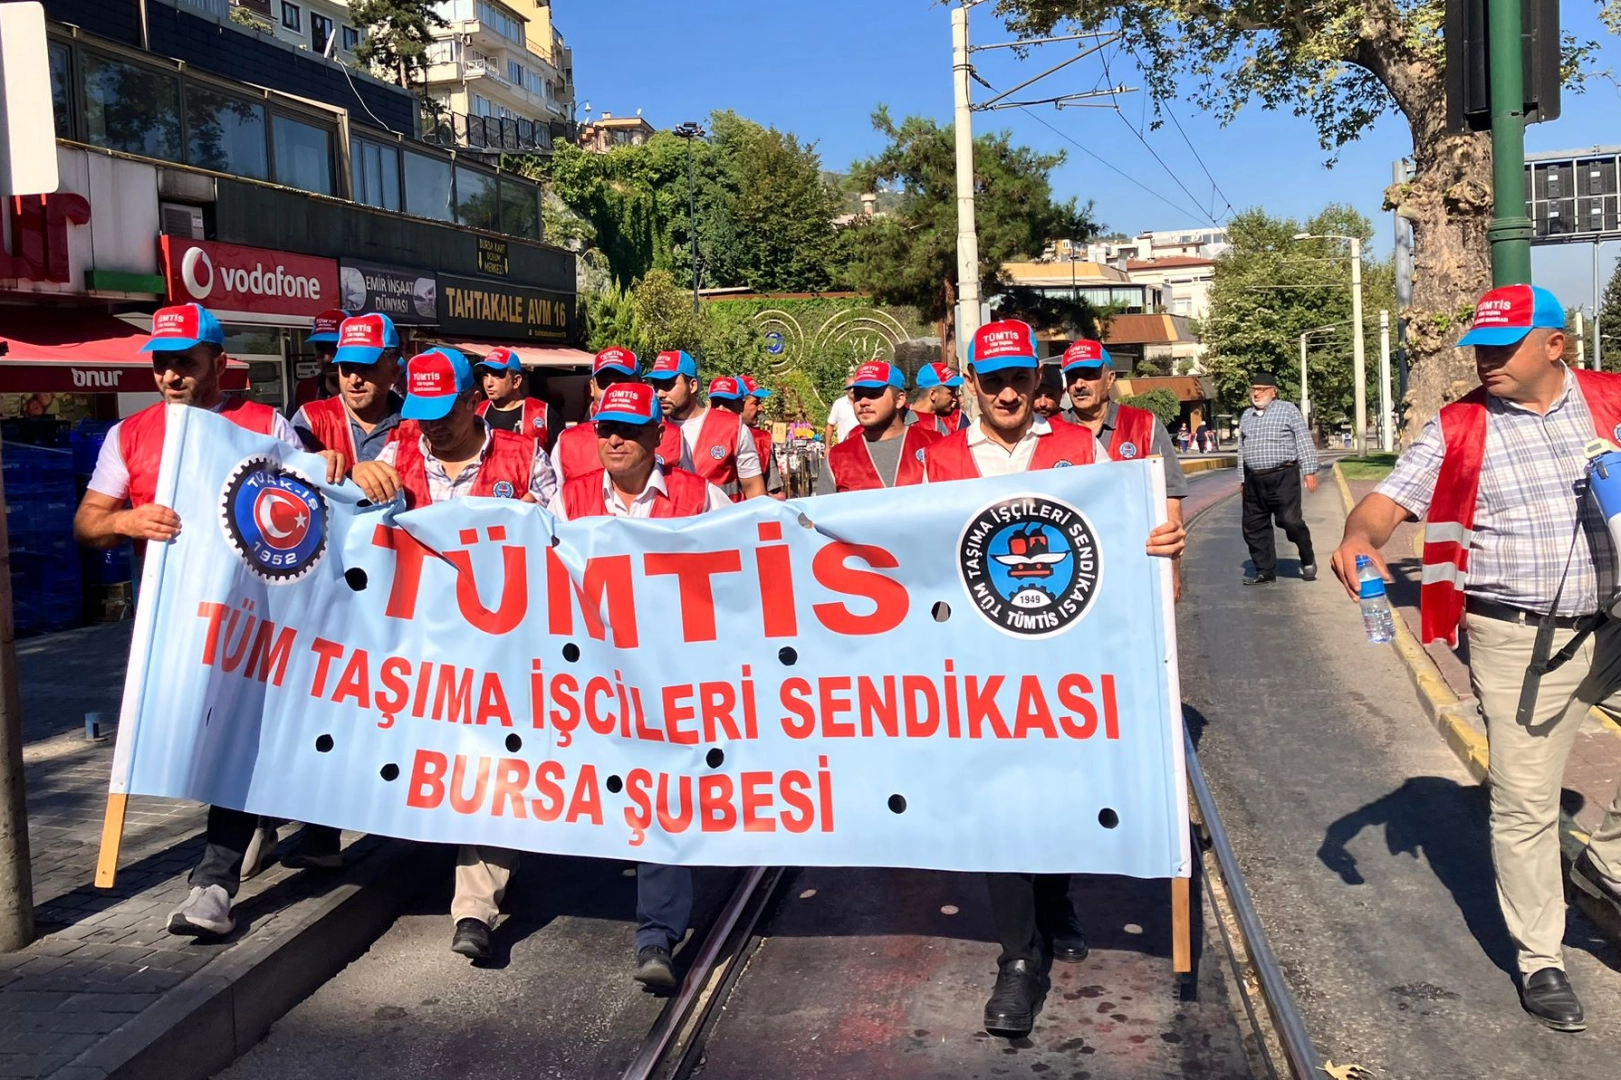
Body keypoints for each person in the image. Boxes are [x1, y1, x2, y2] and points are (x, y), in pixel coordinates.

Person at [1331, 284, 1621, 1034]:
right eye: (1480, 348)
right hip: (1518, 639)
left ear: (1554, 346)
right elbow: (1385, 504)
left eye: (1503, 346)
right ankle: (1540, 957)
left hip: (1617, 623)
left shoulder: (1612, 400)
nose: (1486, 360)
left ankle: (1605, 868)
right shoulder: (1459, 427)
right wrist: (1359, 538)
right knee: (1525, 802)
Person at [923, 319, 1186, 1037]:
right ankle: (1018, 957)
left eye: (1018, 379)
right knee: (1001, 803)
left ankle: (1056, 900)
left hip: (1064, 660)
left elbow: (1110, 539)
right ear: (970, 384)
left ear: (1038, 381)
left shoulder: (1077, 447)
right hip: (979, 668)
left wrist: (1156, 542)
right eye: (993, 381)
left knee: (1060, 793)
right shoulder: (938, 460)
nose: (1007, 393)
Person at [73, 303, 345, 938]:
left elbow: (314, 502)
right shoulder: (129, 434)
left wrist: (331, 465)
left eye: (185, 363)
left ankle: (213, 883)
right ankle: (263, 821)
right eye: (161, 364)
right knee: (197, 736)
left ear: (219, 363)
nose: (171, 376)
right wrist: (126, 520)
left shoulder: (265, 424)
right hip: (174, 623)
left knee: (237, 734)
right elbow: (88, 523)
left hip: (258, 621)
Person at [350, 348, 557, 961]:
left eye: (445, 411)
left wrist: (535, 531)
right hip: (420, 647)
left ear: (474, 402)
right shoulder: (397, 456)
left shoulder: (524, 458)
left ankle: (475, 907)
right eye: (422, 412)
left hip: (502, 648)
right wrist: (355, 476)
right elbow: (355, 527)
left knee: (492, 762)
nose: (432, 425)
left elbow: (564, 545)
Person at [544, 382, 730, 988]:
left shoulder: (700, 495)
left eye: (629, 429)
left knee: (659, 793)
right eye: (605, 429)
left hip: (671, 675)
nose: (615, 440)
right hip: (592, 673)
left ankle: (657, 934)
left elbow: (741, 569)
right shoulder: (566, 500)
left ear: (658, 434)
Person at [285, 312, 407, 870]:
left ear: (393, 367)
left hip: (395, 591)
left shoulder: (416, 419)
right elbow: (283, 481)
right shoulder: (309, 419)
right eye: (344, 367)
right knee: (325, 707)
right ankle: (318, 832)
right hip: (325, 589)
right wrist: (318, 465)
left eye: (367, 367)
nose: (354, 378)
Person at [1062, 339, 1188, 598]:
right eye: (1073, 376)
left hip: (1135, 563)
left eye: (1089, 374)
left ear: (1110, 379)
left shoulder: (1145, 425)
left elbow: (1170, 498)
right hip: (1070, 570)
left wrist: (1173, 569)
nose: (1079, 384)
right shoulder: (1049, 430)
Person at [645, 350, 766, 501]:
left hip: (724, 516)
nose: (660, 393)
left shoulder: (733, 428)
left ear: (692, 386)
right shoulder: (648, 429)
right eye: (656, 386)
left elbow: (754, 490)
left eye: (668, 385)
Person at [1237, 370, 1319, 585]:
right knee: (1253, 525)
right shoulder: (1247, 415)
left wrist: (1309, 470)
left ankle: (1307, 557)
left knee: (1289, 521)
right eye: (1254, 390)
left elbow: (1303, 439)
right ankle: (1264, 570)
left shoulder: (1287, 410)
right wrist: (1242, 479)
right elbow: (1241, 449)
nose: (1256, 394)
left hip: (1283, 476)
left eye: (1261, 390)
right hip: (1254, 480)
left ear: (1273, 392)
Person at [815, 361, 941, 493]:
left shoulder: (934, 444)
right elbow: (824, 505)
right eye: (858, 396)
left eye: (873, 394)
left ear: (899, 400)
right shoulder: (837, 458)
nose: (863, 402)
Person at [552, 346, 643, 487]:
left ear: (641, 385)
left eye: (622, 382)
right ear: (592, 388)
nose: (611, 391)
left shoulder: (671, 439)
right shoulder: (566, 443)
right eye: (604, 384)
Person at [476, 347, 556, 451]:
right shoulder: (477, 413)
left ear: (516, 381)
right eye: (485, 376)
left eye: (497, 376)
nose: (488, 383)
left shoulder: (542, 413)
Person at [733, 375, 786, 499]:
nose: (761, 408)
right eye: (755, 403)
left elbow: (776, 492)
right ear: (738, 404)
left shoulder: (762, 440)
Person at [292, 309, 348, 407]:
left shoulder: (369, 389)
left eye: (335, 348)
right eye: (320, 349)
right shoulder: (304, 390)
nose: (327, 359)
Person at [917, 361, 970, 437]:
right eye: (951, 393)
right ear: (933, 394)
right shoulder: (903, 417)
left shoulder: (957, 420)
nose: (955, 398)